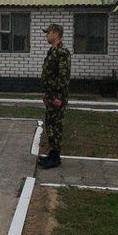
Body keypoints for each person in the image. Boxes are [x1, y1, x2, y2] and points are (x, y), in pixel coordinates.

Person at [38, 23, 71, 169]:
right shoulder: (52, 51)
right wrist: (48, 94)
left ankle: (55, 157)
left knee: (56, 126)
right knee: (50, 125)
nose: (46, 35)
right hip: (51, 96)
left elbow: (63, 78)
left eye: (48, 32)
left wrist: (58, 97)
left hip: (57, 98)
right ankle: (52, 153)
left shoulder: (62, 52)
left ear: (56, 34)